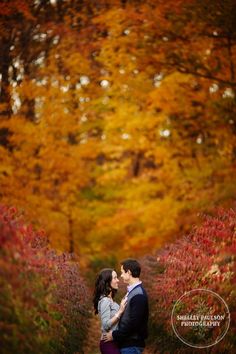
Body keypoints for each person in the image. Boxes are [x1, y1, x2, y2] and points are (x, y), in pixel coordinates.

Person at [103, 259, 149, 354]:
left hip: (132, 346)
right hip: (127, 345)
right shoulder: (132, 292)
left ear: (129, 272)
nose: (121, 276)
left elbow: (134, 324)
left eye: (122, 272)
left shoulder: (138, 295)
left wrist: (115, 335)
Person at [93, 268, 127, 354]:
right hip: (108, 344)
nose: (118, 280)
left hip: (115, 341)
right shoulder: (105, 300)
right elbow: (105, 325)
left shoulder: (111, 300)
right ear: (108, 282)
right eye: (115, 278)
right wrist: (120, 311)